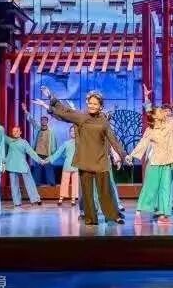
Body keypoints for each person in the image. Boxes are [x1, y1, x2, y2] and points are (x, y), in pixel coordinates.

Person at [41, 86, 127, 225]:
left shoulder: (103, 121)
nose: (92, 106)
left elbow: (113, 139)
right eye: (90, 103)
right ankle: (91, 218)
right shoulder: (81, 116)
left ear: (100, 106)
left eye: (95, 104)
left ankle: (112, 215)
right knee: (87, 193)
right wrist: (52, 97)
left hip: (100, 160)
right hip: (85, 159)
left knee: (105, 192)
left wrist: (123, 155)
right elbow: (66, 111)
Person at [126, 93, 173, 225]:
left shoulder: (169, 126)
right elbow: (142, 144)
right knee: (150, 188)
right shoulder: (150, 130)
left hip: (167, 164)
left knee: (166, 190)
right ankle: (139, 212)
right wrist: (131, 156)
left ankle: (163, 216)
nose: (164, 113)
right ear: (155, 116)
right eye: (160, 111)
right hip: (155, 163)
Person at [4, 126, 43, 207]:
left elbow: (31, 152)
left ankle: (35, 199)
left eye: (17, 131)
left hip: (22, 165)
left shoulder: (24, 142)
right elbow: (1, 135)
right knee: (14, 184)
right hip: (12, 165)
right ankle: (17, 202)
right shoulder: (10, 141)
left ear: (20, 132)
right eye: (13, 131)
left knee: (29, 182)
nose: (15, 133)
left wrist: (40, 160)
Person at [22, 102, 56, 186]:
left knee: (49, 168)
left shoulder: (51, 132)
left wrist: (53, 154)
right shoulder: (38, 128)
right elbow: (32, 120)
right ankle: (36, 183)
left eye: (45, 120)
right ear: (40, 121)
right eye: (42, 120)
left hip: (47, 153)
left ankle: (51, 183)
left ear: (47, 122)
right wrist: (25, 110)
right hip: (38, 153)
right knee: (37, 168)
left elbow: (54, 143)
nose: (43, 121)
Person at [48, 125, 79, 206]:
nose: (73, 132)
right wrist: (50, 159)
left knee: (75, 183)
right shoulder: (66, 143)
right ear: (69, 133)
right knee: (64, 182)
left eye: (75, 131)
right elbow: (58, 153)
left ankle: (73, 199)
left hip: (77, 166)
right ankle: (61, 198)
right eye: (71, 131)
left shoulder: (81, 143)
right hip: (67, 165)